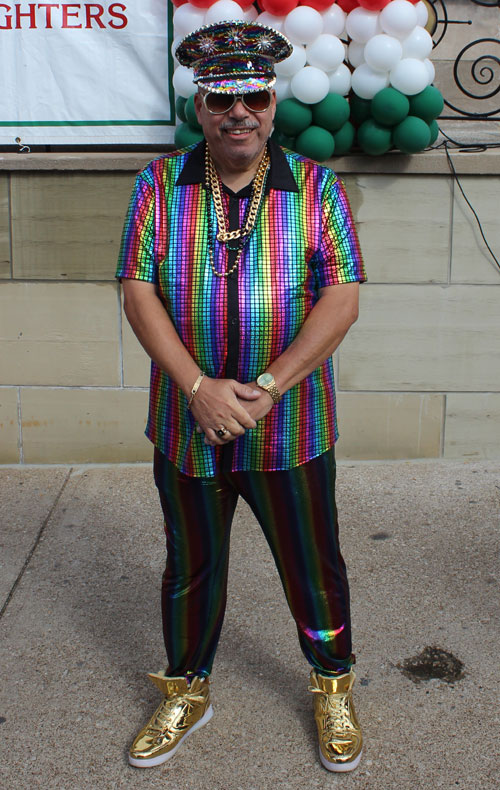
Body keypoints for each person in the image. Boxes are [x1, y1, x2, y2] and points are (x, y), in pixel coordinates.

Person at [116, 20, 366, 773]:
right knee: (190, 563)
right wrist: (195, 387)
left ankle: (332, 684)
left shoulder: (318, 187)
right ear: (200, 108)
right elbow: (136, 288)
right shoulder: (157, 185)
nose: (240, 114)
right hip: (187, 425)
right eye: (223, 100)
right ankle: (188, 687)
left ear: (272, 101)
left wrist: (266, 388)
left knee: (313, 562)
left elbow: (343, 296)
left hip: (289, 428)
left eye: (254, 97)